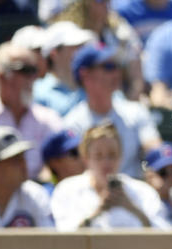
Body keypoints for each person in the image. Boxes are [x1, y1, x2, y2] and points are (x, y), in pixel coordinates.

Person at [65, 43, 162, 177]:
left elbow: (155, 152)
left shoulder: (136, 111)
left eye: (117, 66)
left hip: (134, 191)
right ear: (85, 75)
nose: (117, 73)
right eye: (108, 67)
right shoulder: (73, 124)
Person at [50, 122, 170, 230]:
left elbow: (163, 237)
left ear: (121, 156)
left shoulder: (143, 192)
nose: (106, 163)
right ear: (86, 159)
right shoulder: (67, 190)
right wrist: (98, 210)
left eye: (112, 155)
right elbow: (64, 237)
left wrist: (131, 207)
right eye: (99, 156)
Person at [0, 42, 64, 179]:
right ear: (2, 76)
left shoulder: (49, 119)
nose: (33, 78)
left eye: (34, 70)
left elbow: (66, 160)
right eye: (25, 70)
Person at [0, 126, 53, 228]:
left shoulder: (36, 195)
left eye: (23, 157)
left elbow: (49, 240)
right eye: (15, 160)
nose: (24, 164)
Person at [32, 21, 95, 116]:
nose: (82, 52)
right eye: (76, 46)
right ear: (54, 53)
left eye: (83, 46)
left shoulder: (94, 84)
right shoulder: (37, 92)